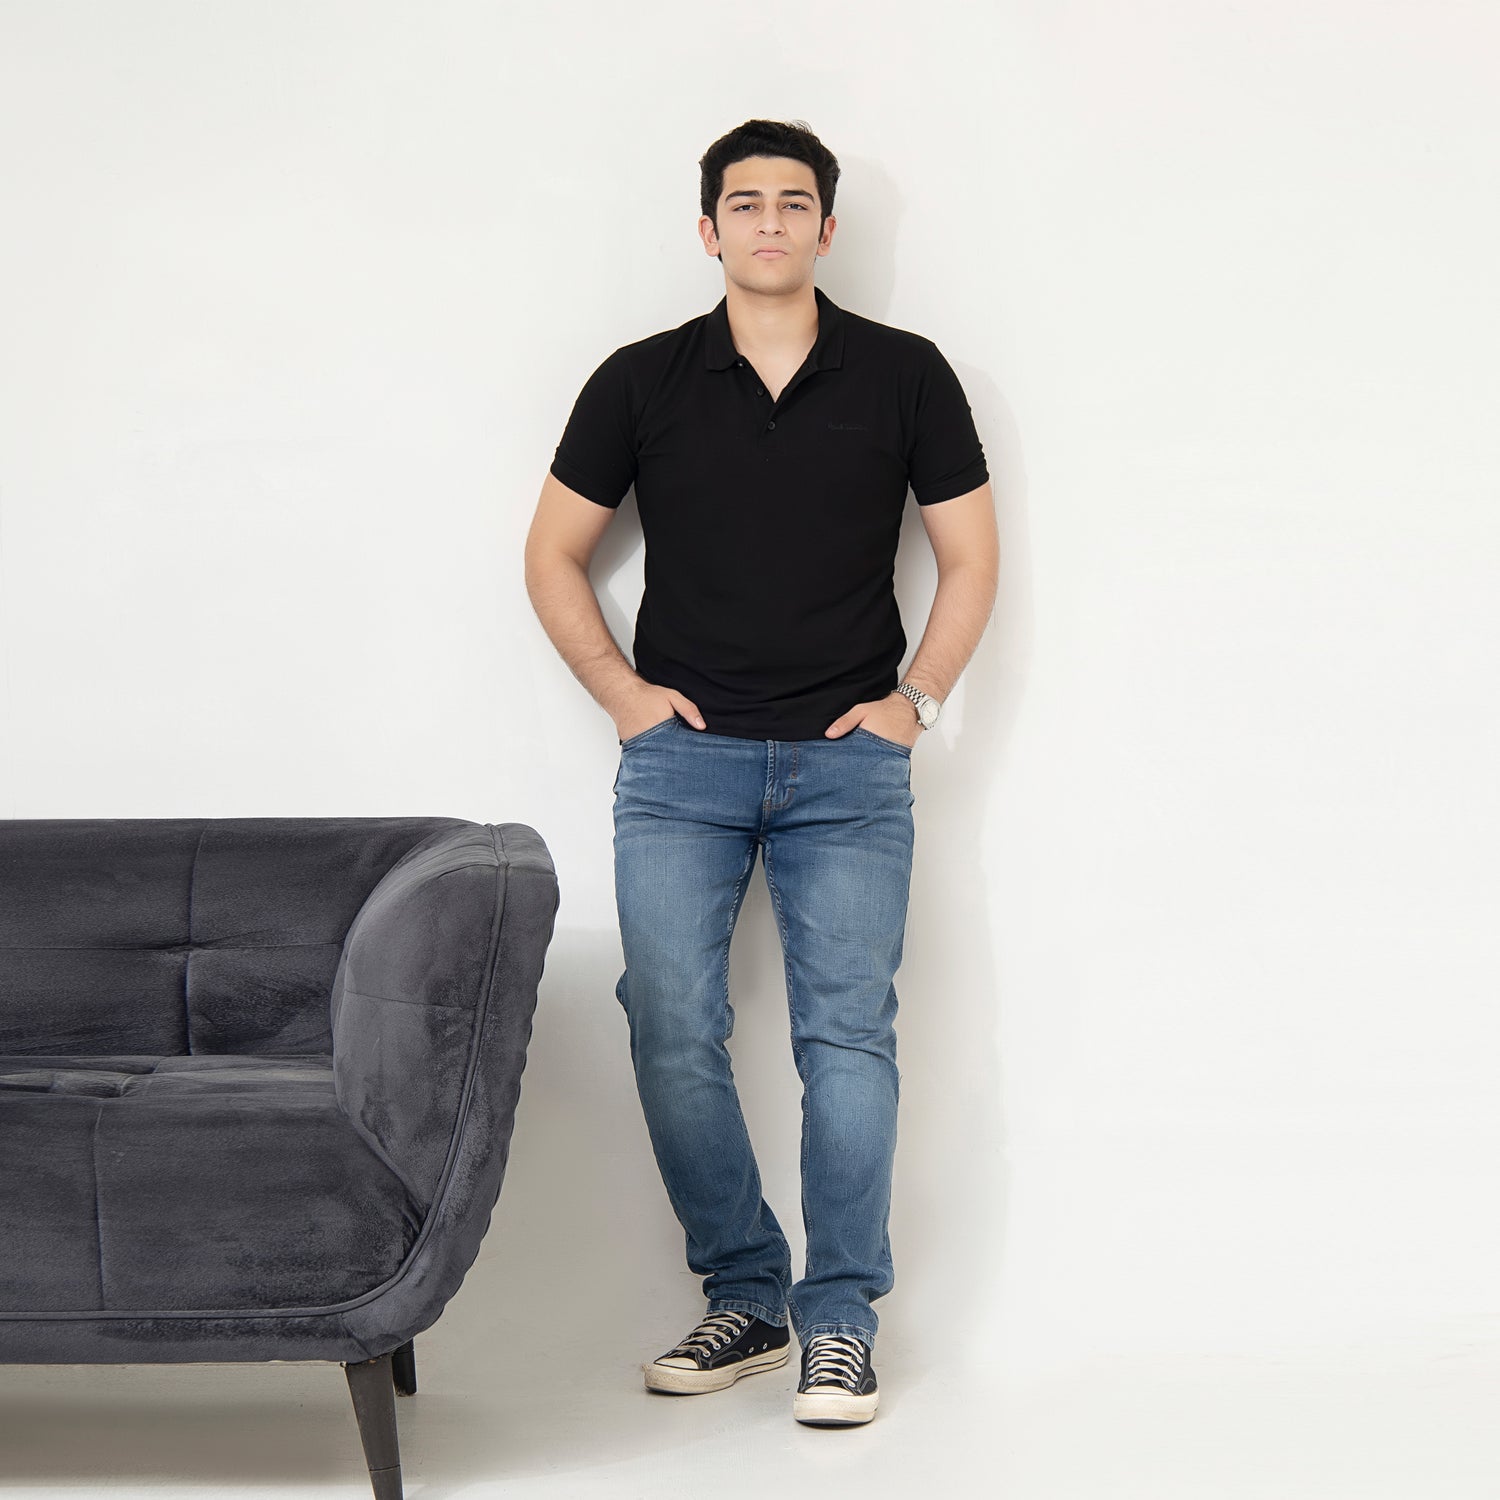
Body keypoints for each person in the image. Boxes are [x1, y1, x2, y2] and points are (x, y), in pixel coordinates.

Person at [524, 118, 998, 1427]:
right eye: (746, 203)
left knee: (847, 1036)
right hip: (683, 770)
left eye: (796, 202)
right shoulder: (641, 380)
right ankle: (748, 1293)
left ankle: (840, 1321)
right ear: (710, 229)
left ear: (827, 229)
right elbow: (553, 553)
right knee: (669, 1021)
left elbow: (971, 558)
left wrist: (915, 704)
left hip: (851, 772)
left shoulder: (905, 375)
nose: (771, 221)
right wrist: (625, 699)